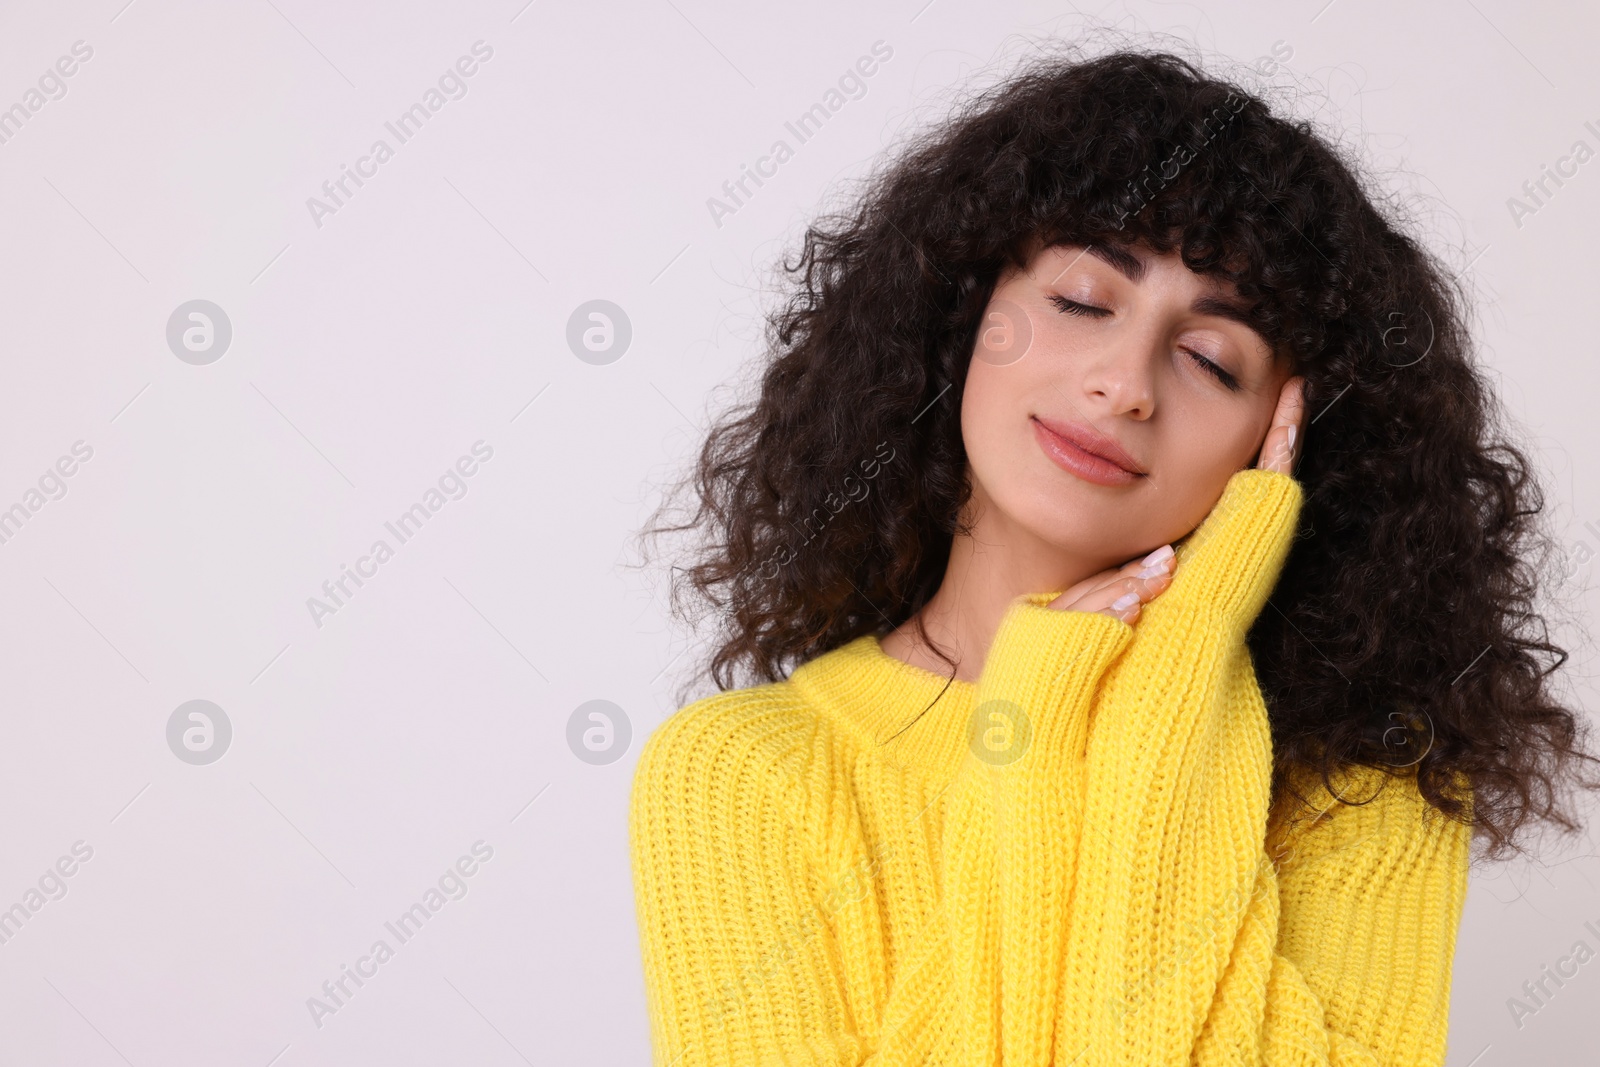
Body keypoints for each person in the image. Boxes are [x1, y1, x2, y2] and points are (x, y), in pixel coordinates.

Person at [628, 45, 1599, 1067]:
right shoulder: (743, 772)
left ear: (1287, 442)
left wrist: (1178, 662)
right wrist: (1031, 732)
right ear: (962, 315)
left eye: (1210, 360)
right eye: (1084, 301)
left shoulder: (1358, 799)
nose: (1125, 382)